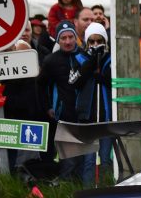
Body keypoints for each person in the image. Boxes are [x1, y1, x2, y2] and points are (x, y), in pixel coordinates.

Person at [70, 23, 113, 185]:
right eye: (92, 41)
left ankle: (106, 189)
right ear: (87, 42)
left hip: (106, 118)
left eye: (99, 41)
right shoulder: (79, 58)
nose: (95, 45)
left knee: (105, 159)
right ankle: (88, 193)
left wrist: (101, 66)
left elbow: (112, 81)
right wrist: (90, 62)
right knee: (88, 160)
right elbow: (74, 82)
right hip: (87, 119)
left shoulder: (110, 59)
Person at [41, 20, 83, 179]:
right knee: (69, 160)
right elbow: (41, 86)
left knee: (83, 158)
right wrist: (47, 107)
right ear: (58, 40)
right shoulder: (51, 60)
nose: (67, 41)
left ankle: (82, 188)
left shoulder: (83, 56)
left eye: (70, 37)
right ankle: (66, 191)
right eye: (63, 38)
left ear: (76, 37)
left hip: (84, 116)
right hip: (64, 116)